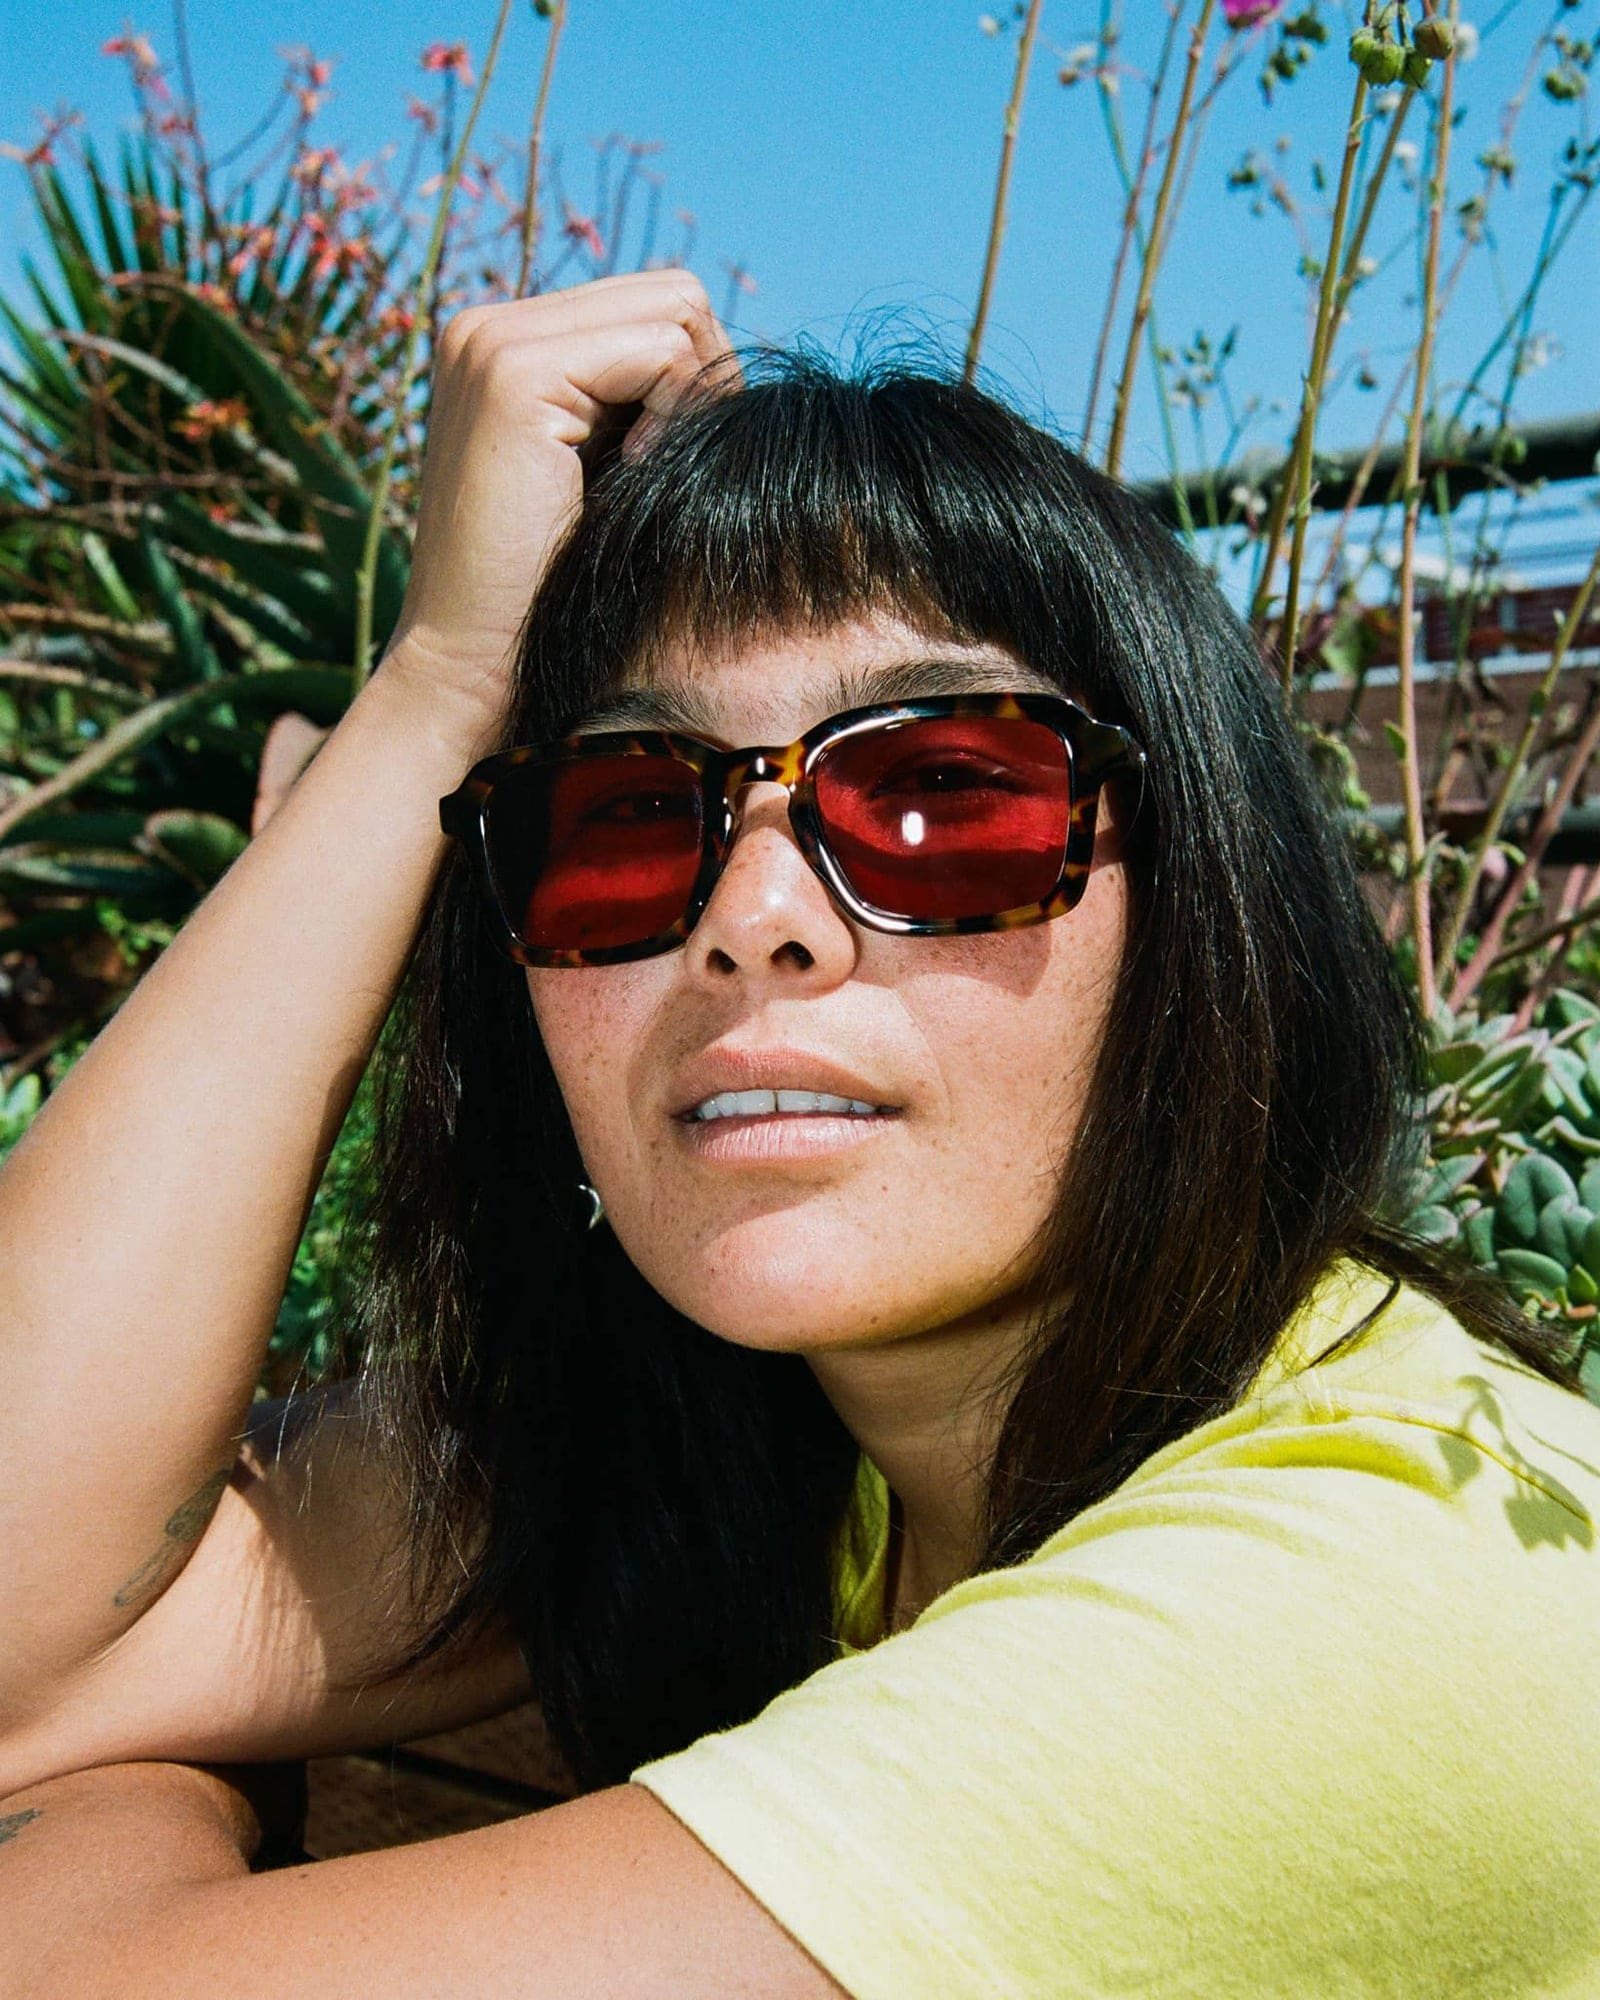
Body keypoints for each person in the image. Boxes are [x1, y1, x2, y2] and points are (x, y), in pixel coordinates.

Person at [0, 268, 1597, 1999]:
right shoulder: (790, 1450)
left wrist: (116, 1822)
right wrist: (442, 684)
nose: (752, 915)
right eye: (622, 820)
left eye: (941, 796)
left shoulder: (1361, 1604)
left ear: (1212, 902)